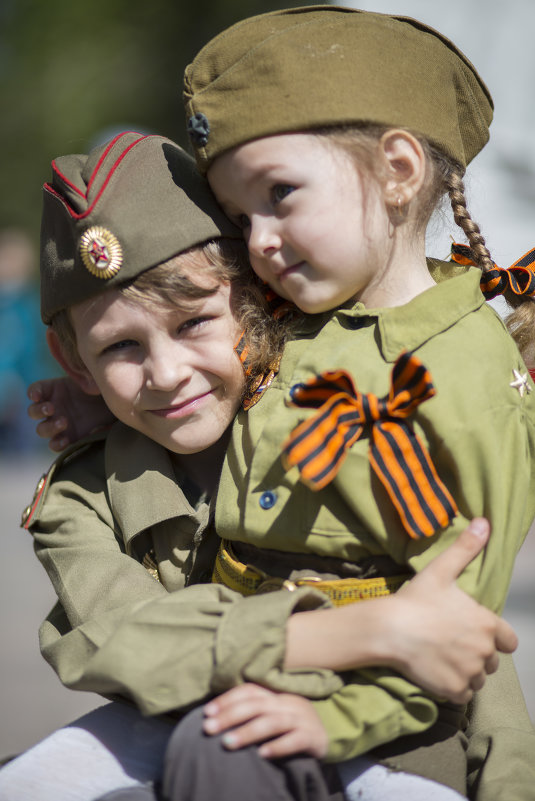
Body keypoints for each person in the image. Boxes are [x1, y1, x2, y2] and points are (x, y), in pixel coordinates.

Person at [0, 131, 515, 801]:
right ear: (75, 364)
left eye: (193, 323)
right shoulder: (82, 494)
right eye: (121, 347)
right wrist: (367, 628)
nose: (166, 374)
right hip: (205, 748)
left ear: (256, 298)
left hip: (394, 748)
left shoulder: (346, 425)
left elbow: (468, 630)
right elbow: (118, 636)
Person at [180, 5, 535, 798]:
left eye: (280, 194)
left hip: (378, 721)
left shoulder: (468, 371)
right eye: (240, 216)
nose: (259, 239)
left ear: (398, 171)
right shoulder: (284, 322)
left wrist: (334, 727)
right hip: (235, 661)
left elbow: (458, 618)